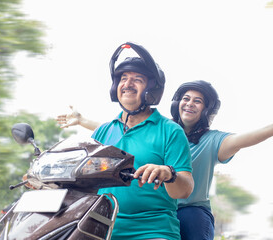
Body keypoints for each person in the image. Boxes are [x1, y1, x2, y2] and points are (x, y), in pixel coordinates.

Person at [57, 80, 273, 240]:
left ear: (206, 111)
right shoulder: (161, 131)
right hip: (151, 209)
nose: (190, 104)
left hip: (188, 208)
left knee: (191, 220)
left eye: (198, 101)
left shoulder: (212, 141)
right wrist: (81, 121)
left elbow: (244, 139)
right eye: (186, 99)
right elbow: (118, 135)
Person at [61, 42, 194, 240]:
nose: (128, 84)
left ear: (152, 90)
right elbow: (84, 182)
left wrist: (168, 173)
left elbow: (184, 190)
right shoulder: (104, 131)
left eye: (137, 79)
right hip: (99, 228)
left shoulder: (170, 131)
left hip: (153, 230)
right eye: (123, 78)